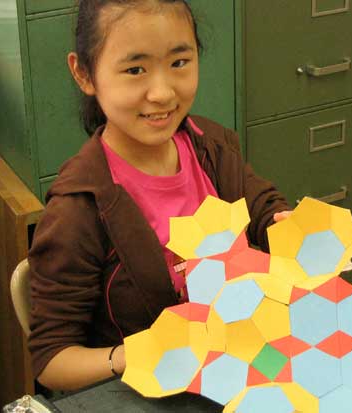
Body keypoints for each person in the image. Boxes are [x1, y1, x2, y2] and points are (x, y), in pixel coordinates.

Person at [28, 0, 290, 391]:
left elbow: (266, 208)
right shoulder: (79, 206)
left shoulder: (211, 147)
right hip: (155, 394)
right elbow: (51, 360)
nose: (163, 93)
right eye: (135, 70)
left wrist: (288, 226)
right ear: (84, 74)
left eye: (179, 63)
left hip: (244, 364)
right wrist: (126, 357)